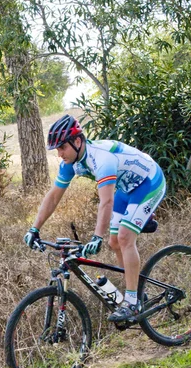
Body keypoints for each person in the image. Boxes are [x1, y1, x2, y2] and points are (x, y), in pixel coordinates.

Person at [24, 114, 166, 323]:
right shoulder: (70, 163)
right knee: (115, 241)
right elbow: (53, 196)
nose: (59, 153)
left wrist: (96, 236)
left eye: (62, 147)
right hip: (127, 188)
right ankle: (137, 292)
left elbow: (106, 202)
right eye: (57, 149)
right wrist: (34, 228)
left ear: (77, 141)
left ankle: (133, 302)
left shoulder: (101, 158)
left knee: (125, 238)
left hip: (149, 181)